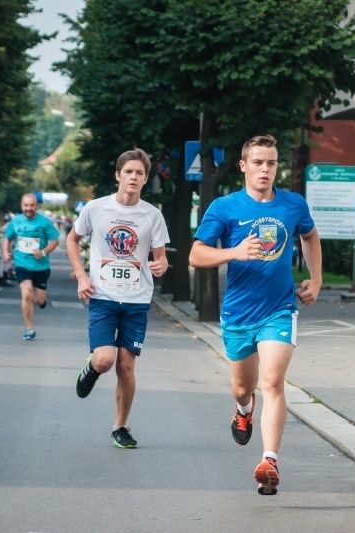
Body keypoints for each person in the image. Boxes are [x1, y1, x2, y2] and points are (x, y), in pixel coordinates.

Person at [189, 135, 322, 496]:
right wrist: (233, 252)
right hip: (238, 313)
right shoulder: (225, 207)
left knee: (274, 381)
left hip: (279, 309)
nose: (266, 169)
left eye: (272, 163)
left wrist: (318, 278)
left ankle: (269, 460)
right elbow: (196, 255)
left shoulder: (293, 204)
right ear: (244, 166)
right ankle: (243, 409)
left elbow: (310, 236)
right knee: (243, 387)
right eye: (259, 163)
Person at [66, 148, 169, 450]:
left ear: (145, 179)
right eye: (129, 172)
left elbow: (160, 258)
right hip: (103, 296)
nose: (134, 177)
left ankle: (120, 427)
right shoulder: (96, 209)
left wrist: (160, 265)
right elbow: (73, 240)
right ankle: (91, 368)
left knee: (126, 367)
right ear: (118, 175)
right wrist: (82, 275)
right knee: (105, 360)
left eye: (140, 173)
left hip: (137, 300)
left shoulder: (152, 215)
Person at [2, 195, 59, 340]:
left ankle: (41, 300)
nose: (29, 208)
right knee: (26, 293)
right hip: (22, 263)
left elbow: (55, 241)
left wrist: (44, 252)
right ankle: (29, 328)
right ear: (21, 205)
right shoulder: (16, 221)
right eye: (26, 205)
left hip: (41, 266)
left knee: (39, 301)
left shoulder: (45, 222)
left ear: (36, 206)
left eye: (32, 205)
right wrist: (5, 252)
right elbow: (7, 238)